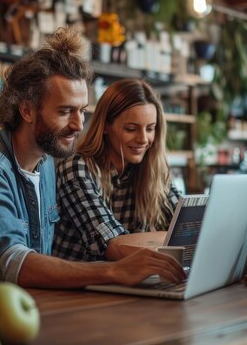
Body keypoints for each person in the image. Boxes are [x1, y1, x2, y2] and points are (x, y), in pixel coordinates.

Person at [0, 28, 185, 290]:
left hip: (18, 312)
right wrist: (114, 270)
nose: (79, 125)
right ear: (26, 109)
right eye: (65, 111)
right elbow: (13, 264)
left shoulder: (45, 162)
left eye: (82, 111)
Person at [54, 79, 181, 262]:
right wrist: (175, 236)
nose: (143, 139)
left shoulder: (154, 171)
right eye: (131, 129)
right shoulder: (76, 169)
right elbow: (111, 245)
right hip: (76, 287)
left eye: (150, 129)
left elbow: (187, 225)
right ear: (105, 125)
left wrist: (186, 233)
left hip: (130, 285)